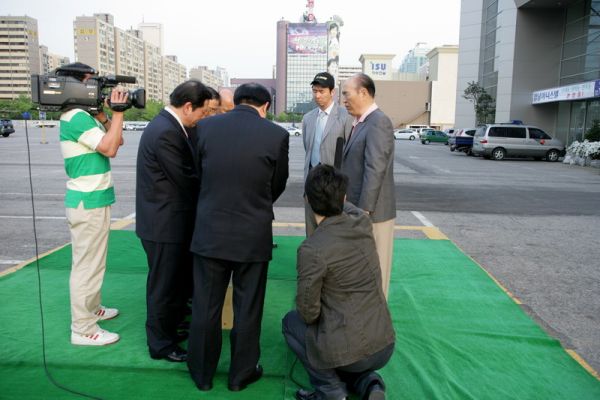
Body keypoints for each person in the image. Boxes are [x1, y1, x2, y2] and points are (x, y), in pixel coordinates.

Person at [187, 83, 289, 392]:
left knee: (206, 305)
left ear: (237, 101)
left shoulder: (204, 128)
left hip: (210, 230)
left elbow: (197, 174)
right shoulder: (276, 135)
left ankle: (202, 374)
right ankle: (241, 374)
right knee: (248, 308)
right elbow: (278, 183)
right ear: (265, 106)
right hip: (252, 232)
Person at [282, 165, 395, 400]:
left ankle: (330, 391)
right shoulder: (362, 223)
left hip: (349, 350)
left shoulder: (312, 248)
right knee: (347, 350)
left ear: (307, 201)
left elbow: (308, 312)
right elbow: (348, 207)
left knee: (291, 323)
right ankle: (369, 383)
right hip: (384, 343)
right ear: (344, 198)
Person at [136, 80, 212, 362]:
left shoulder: (169, 126)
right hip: (163, 226)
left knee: (173, 284)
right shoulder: (166, 132)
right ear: (188, 106)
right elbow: (185, 178)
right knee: (163, 288)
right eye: (203, 113)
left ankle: (169, 330)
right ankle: (160, 345)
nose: (203, 118)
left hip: (169, 223)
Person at [57, 62, 128, 346]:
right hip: (88, 202)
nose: (95, 89)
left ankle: (92, 308)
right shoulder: (75, 117)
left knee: (93, 263)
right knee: (87, 267)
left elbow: (116, 140)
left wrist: (105, 114)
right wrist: (117, 112)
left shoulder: (85, 116)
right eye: (89, 83)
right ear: (75, 86)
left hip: (93, 200)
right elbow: (110, 148)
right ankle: (83, 329)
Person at [341, 73, 396, 299]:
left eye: (346, 94)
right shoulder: (360, 122)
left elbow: (375, 168)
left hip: (373, 214)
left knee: (377, 269)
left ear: (363, 93)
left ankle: (377, 322)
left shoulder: (378, 122)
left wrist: (363, 211)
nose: (343, 99)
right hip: (359, 212)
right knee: (362, 268)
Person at [302, 72, 352, 235]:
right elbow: (308, 149)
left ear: (332, 92)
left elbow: (349, 153)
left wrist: (344, 189)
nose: (317, 95)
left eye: (321, 91)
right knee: (311, 228)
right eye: (314, 91)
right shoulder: (308, 118)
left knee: (334, 231)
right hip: (312, 182)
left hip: (334, 185)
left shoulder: (346, 116)